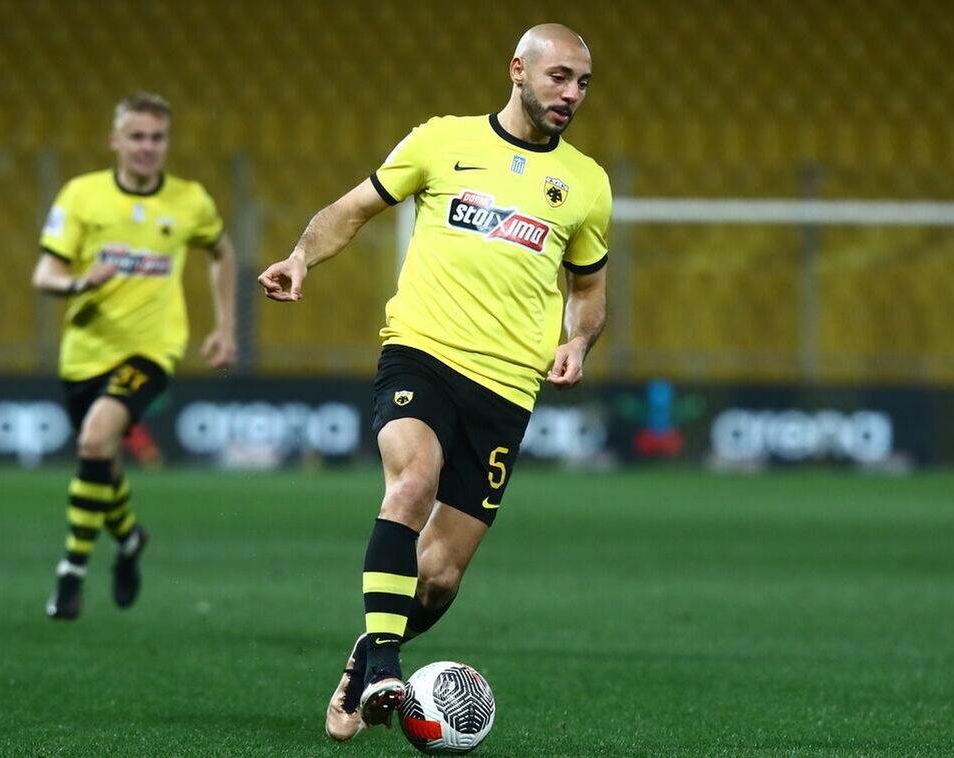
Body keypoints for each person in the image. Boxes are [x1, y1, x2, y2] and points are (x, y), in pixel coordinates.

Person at [258, 23, 609, 741]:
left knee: (442, 575)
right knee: (412, 484)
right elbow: (351, 211)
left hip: (507, 388)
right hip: (422, 353)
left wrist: (578, 339)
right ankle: (385, 667)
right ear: (518, 70)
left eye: (582, 83)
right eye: (559, 76)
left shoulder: (586, 183)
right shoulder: (441, 140)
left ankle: (365, 654)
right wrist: (300, 257)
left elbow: (588, 289)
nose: (571, 93)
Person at [32, 93, 238, 619]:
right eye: (137, 136)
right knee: (100, 456)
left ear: (167, 142)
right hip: (84, 351)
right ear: (116, 140)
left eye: (157, 137)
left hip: (151, 348)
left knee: (94, 439)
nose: (148, 147)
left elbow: (221, 250)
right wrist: (80, 282)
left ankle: (71, 572)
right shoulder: (82, 195)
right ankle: (129, 539)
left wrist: (224, 326)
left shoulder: (189, 200)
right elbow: (45, 274)